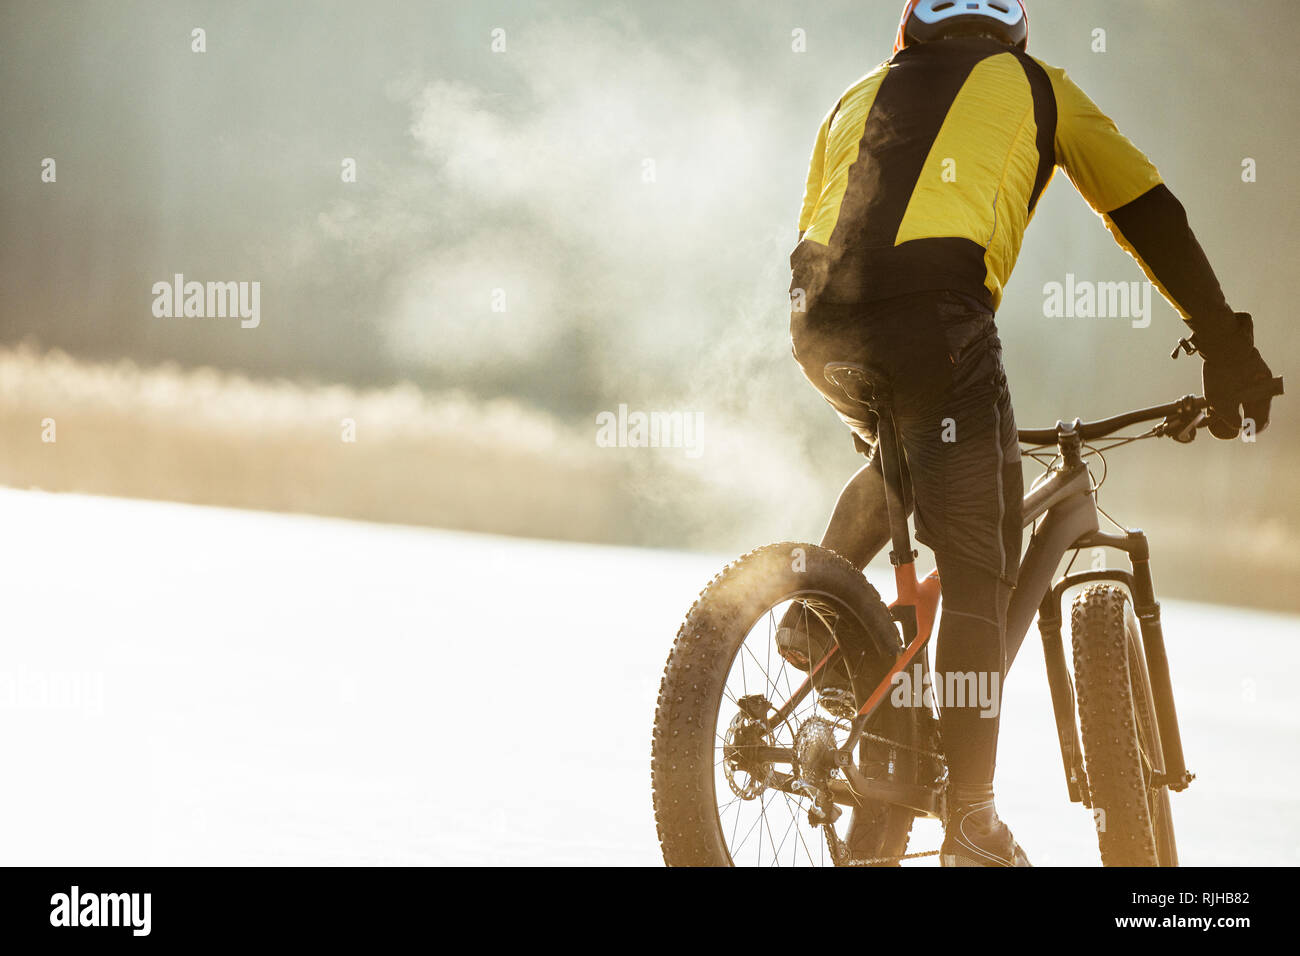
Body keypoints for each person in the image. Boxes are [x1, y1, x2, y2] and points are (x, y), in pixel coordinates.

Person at [776, 0, 1276, 866]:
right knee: (980, 551)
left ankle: (815, 612)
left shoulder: (852, 96)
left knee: (909, 450)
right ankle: (972, 814)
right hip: (937, 322)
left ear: (911, 31)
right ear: (1014, 30)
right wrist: (1225, 345)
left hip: (816, 323)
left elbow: (816, 234)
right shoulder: (1041, 88)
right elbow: (1145, 211)